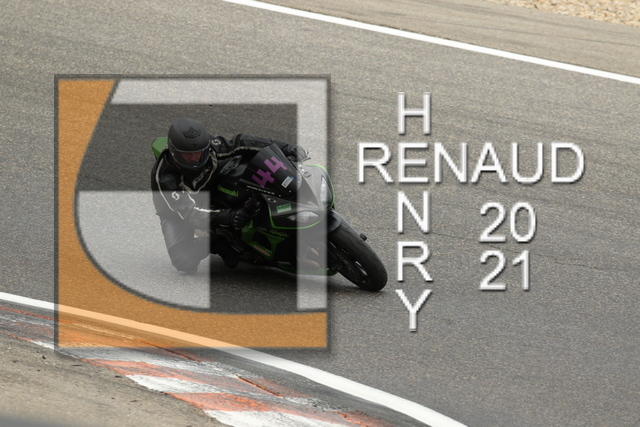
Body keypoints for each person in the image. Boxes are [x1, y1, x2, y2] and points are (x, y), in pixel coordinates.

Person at [151, 118, 307, 274]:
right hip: (177, 213)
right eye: (188, 154)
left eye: (198, 152)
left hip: (210, 185)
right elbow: (191, 214)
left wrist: (286, 148)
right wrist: (230, 217)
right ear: (174, 153)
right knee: (184, 262)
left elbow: (240, 142)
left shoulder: (210, 147)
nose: (194, 158)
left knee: (244, 164)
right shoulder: (164, 179)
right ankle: (216, 242)